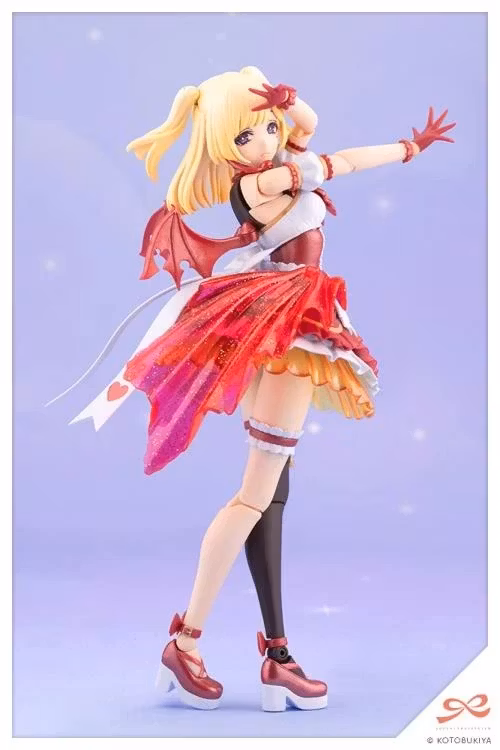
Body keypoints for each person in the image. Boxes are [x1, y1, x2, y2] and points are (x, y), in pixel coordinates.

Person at [50, 66, 455, 711]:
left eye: (269, 127)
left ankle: (276, 654)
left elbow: (320, 139)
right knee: (254, 497)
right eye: (247, 134)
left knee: (272, 496)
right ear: (225, 147)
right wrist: (324, 129)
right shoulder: (261, 182)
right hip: (289, 324)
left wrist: (407, 146)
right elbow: (334, 161)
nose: (265, 139)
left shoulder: (281, 163)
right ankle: (187, 641)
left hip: (294, 315)